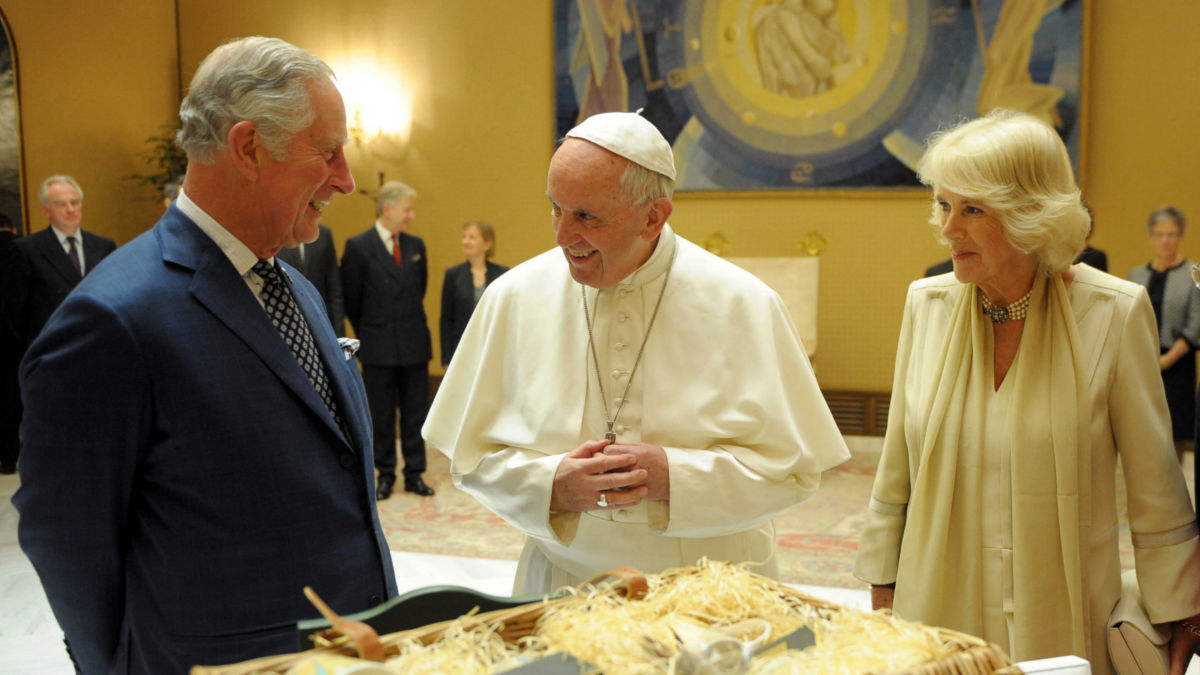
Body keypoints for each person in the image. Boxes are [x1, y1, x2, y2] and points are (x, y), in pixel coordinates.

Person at [12, 37, 397, 673]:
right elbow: (67, 538)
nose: (347, 178)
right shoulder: (112, 320)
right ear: (248, 147)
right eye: (328, 152)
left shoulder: (290, 282)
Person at [423, 111, 850, 595]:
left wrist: (677, 478)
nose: (563, 236)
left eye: (586, 216)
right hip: (564, 586)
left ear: (653, 217)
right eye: (556, 209)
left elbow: (793, 472)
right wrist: (550, 484)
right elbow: (470, 458)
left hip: (711, 592)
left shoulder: (743, 304)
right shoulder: (514, 296)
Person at [853, 110, 1200, 672]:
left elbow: (1155, 486)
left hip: (1062, 622)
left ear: (1030, 214)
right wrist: (882, 585)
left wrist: (1181, 608)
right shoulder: (927, 305)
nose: (947, 229)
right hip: (938, 614)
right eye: (944, 204)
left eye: (971, 209)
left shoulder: (1113, 311)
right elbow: (897, 470)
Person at [342, 181, 435, 499]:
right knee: (380, 415)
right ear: (388, 209)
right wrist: (370, 332)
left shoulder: (416, 245)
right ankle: (384, 474)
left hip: (413, 343)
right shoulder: (358, 247)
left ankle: (414, 474)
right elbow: (352, 300)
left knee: (416, 413)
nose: (411, 216)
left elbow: (418, 290)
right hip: (378, 346)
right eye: (407, 209)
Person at [1, 175, 116, 350]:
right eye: (61, 204)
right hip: (51, 351)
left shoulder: (104, 246)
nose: (70, 209)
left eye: (75, 202)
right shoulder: (27, 250)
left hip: (98, 346)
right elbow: (15, 315)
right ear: (46, 210)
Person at [1129, 205, 1200, 463]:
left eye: (1171, 234)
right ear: (1151, 237)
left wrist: (1165, 361)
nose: (1165, 240)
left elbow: (1195, 326)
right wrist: (1145, 361)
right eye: (1160, 234)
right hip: (1141, 362)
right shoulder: (1137, 274)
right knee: (1140, 430)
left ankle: (1174, 495)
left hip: (1177, 363)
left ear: (1181, 236)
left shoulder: (1194, 274)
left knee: (1173, 433)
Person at [440, 220, 508, 367]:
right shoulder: (453, 275)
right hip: (462, 349)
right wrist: (446, 358)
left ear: (487, 244)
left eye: (472, 237)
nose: (465, 241)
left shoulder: (502, 274)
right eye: (464, 237)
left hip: (492, 346)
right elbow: (446, 320)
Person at [277, 223, 346, 336]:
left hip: (321, 324)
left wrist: (339, 335)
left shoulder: (323, 234)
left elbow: (334, 289)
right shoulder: (276, 235)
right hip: (287, 326)